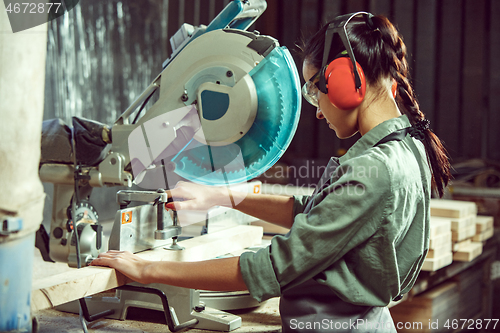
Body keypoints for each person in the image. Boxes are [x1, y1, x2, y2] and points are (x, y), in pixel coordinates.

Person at [91, 12, 451, 332]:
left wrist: (147, 271)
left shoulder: (373, 170)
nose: (319, 113)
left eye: (314, 92)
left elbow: (274, 267)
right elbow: (316, 212)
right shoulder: (406, 147)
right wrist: (223, 195)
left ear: (344, 81)